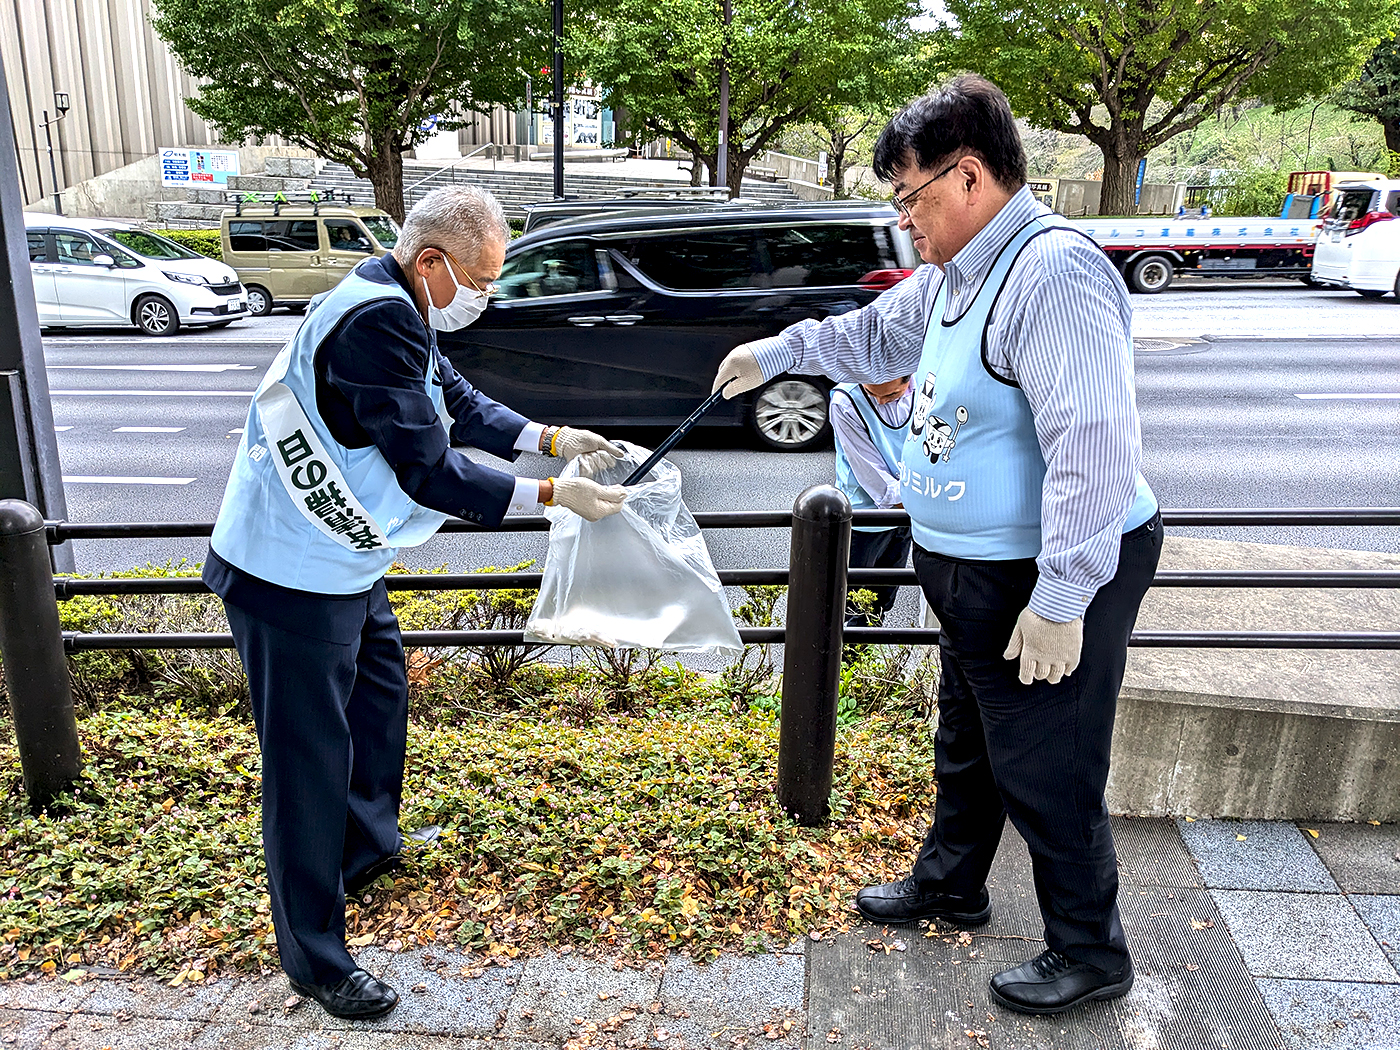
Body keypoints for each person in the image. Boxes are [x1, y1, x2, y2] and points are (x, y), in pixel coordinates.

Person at [712, 75, 1162, 1016]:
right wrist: (779, 353)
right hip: (967, 565)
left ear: (967, 177)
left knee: (1049, 761)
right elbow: (875, 335)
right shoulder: (957, 272)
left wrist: (1061, 599)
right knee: (967, 737)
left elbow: (1093, 450)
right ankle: (952, 883)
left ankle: (1090, 950)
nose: (905, 221)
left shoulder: (1052, 270)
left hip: (1038, 569)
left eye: (909, 198)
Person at [203, 186, 628, 1020]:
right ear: (432, 260)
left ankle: (364, 846)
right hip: (287, 574)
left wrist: (550, 437)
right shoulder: (375, 321)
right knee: (306, 762)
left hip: (342, 562)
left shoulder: (396, 298)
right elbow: (428, 466)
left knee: (380, 694)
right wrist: (550, 492)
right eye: (479, 279)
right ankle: (316, 957)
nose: (485, 296)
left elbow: (455, 400)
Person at [830, 375, 913, 627]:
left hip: (907, 513)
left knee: (880, 604)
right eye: (871, 393)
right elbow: (875, 479)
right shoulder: (846, 401)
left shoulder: (925, 386)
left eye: (890, 396)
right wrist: (925, 507)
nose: (879, 401)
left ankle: (861, 663)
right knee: (850, 604)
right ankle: (843, 666)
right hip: (865, 519)